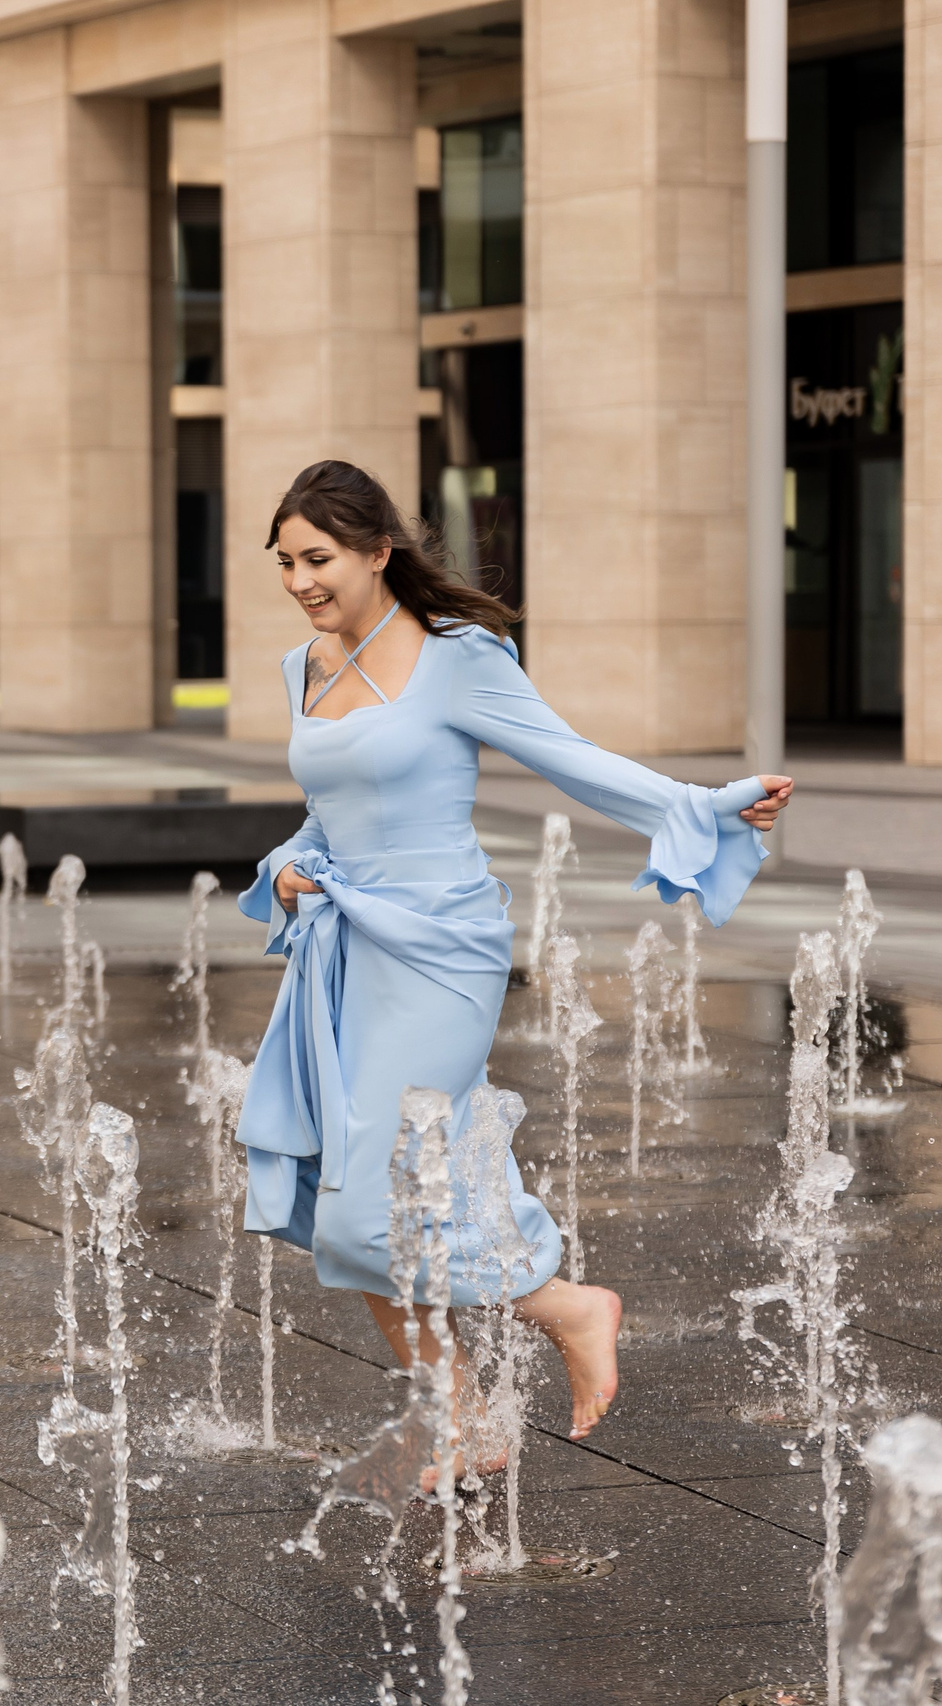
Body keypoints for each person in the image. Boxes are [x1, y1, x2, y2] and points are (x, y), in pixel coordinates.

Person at [234, 460, 793, 1455]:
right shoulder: (302, 668)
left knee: (371, 1206)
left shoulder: (458, 654)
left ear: (377, 548)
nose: (297, 581)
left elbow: (570, 757)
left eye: (316, 557)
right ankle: (462, 1418)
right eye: (283, 562)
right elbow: (327, 814)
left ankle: (567, 1304)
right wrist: (285, 869)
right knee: (346, 1206)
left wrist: (699, 805)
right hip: (345, 947)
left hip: (441, 948)